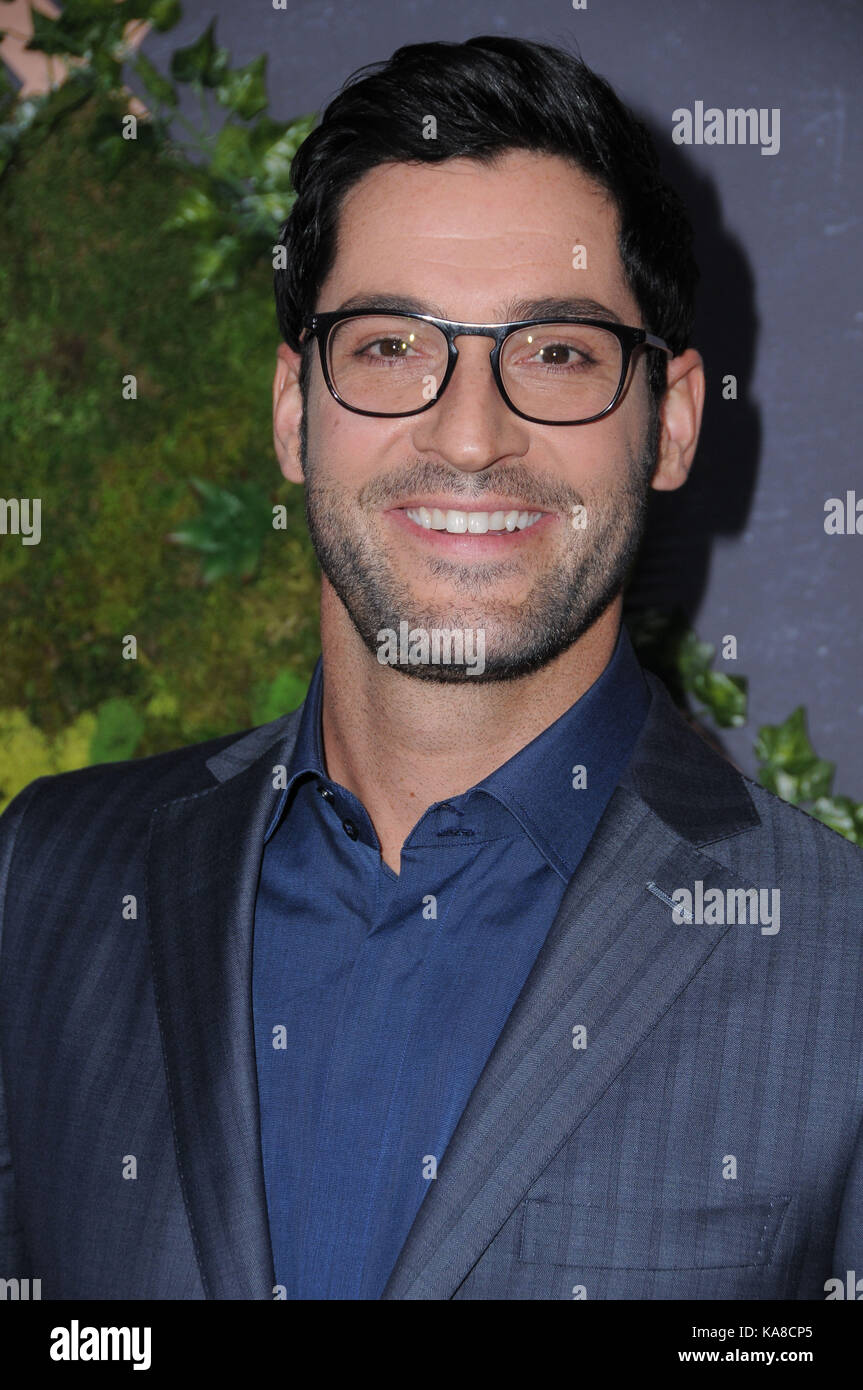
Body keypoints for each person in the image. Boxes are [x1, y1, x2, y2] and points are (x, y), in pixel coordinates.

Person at [1, 35, 860, 1302]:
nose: (469, 434)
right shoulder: (48, 880)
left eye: (556, 352)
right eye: (393, 345)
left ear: (669, 421)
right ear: (296, 410)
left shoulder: (836, 959)